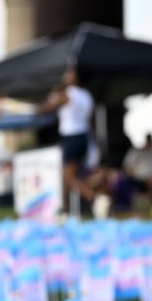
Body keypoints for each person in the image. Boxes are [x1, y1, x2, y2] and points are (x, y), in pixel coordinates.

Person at [40, 67, 100, 212]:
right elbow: (92, 120)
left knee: (69, 177)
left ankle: (95, 198)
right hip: (84, 137)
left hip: (71, 137)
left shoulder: (66, 95)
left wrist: (50, 99)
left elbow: (45, 109)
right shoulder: (86, 95)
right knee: (73, 176)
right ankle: (66, 209)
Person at [123, 132, 152, 206]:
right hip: (139, 179)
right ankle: (150, 201)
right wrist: (132, 175)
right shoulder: (136, 152)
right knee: (151, 181)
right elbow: (127, 166)